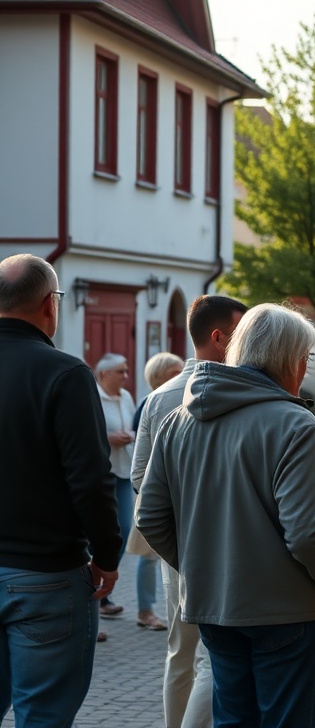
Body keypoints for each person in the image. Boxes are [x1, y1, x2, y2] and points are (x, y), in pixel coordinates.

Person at [137, 303, 315, 727]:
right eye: (307, 358)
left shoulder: (176, 421)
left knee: (231, 718)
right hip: (287, 611)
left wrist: (202, 566)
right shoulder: (296, 424)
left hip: (214, 606)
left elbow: (149, 517)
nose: (305, 368)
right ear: (289, 358)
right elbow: (310, 533)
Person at [0, 253, 121, 727]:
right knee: (43, 716)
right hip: (46, 575)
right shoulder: (65, 375)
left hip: (37, 574)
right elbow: (90, 481)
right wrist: (108, 558)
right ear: (50, 305)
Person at [131, 295, 248, 728]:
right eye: (242, 333)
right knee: (212, 658)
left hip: (176, 545)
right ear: (219, 338)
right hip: (224, 545)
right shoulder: (240, 390)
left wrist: (172, 537)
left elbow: (140, 479)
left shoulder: (159, 396)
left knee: (181, 653)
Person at [126, 353, 186, 633]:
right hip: (154, 494)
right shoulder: (151, 403)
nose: (183, 374)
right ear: (159, 377)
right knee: (148, 555)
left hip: (157, 493)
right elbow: (143, 461)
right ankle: (146, 610)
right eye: (176, 371)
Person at [94, 353, 140, 624]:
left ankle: (103, 583)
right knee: (96, 534)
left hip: (123, 472)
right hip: (102, 474)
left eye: (125, 371)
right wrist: (108, 438)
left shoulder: (126, 397)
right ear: (103, 375)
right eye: (120, 372)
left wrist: (128, 437)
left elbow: (133, 426)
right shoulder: (92, 396)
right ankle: (97, 594)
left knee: (122, 530)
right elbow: (85, 433)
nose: (125, 376)